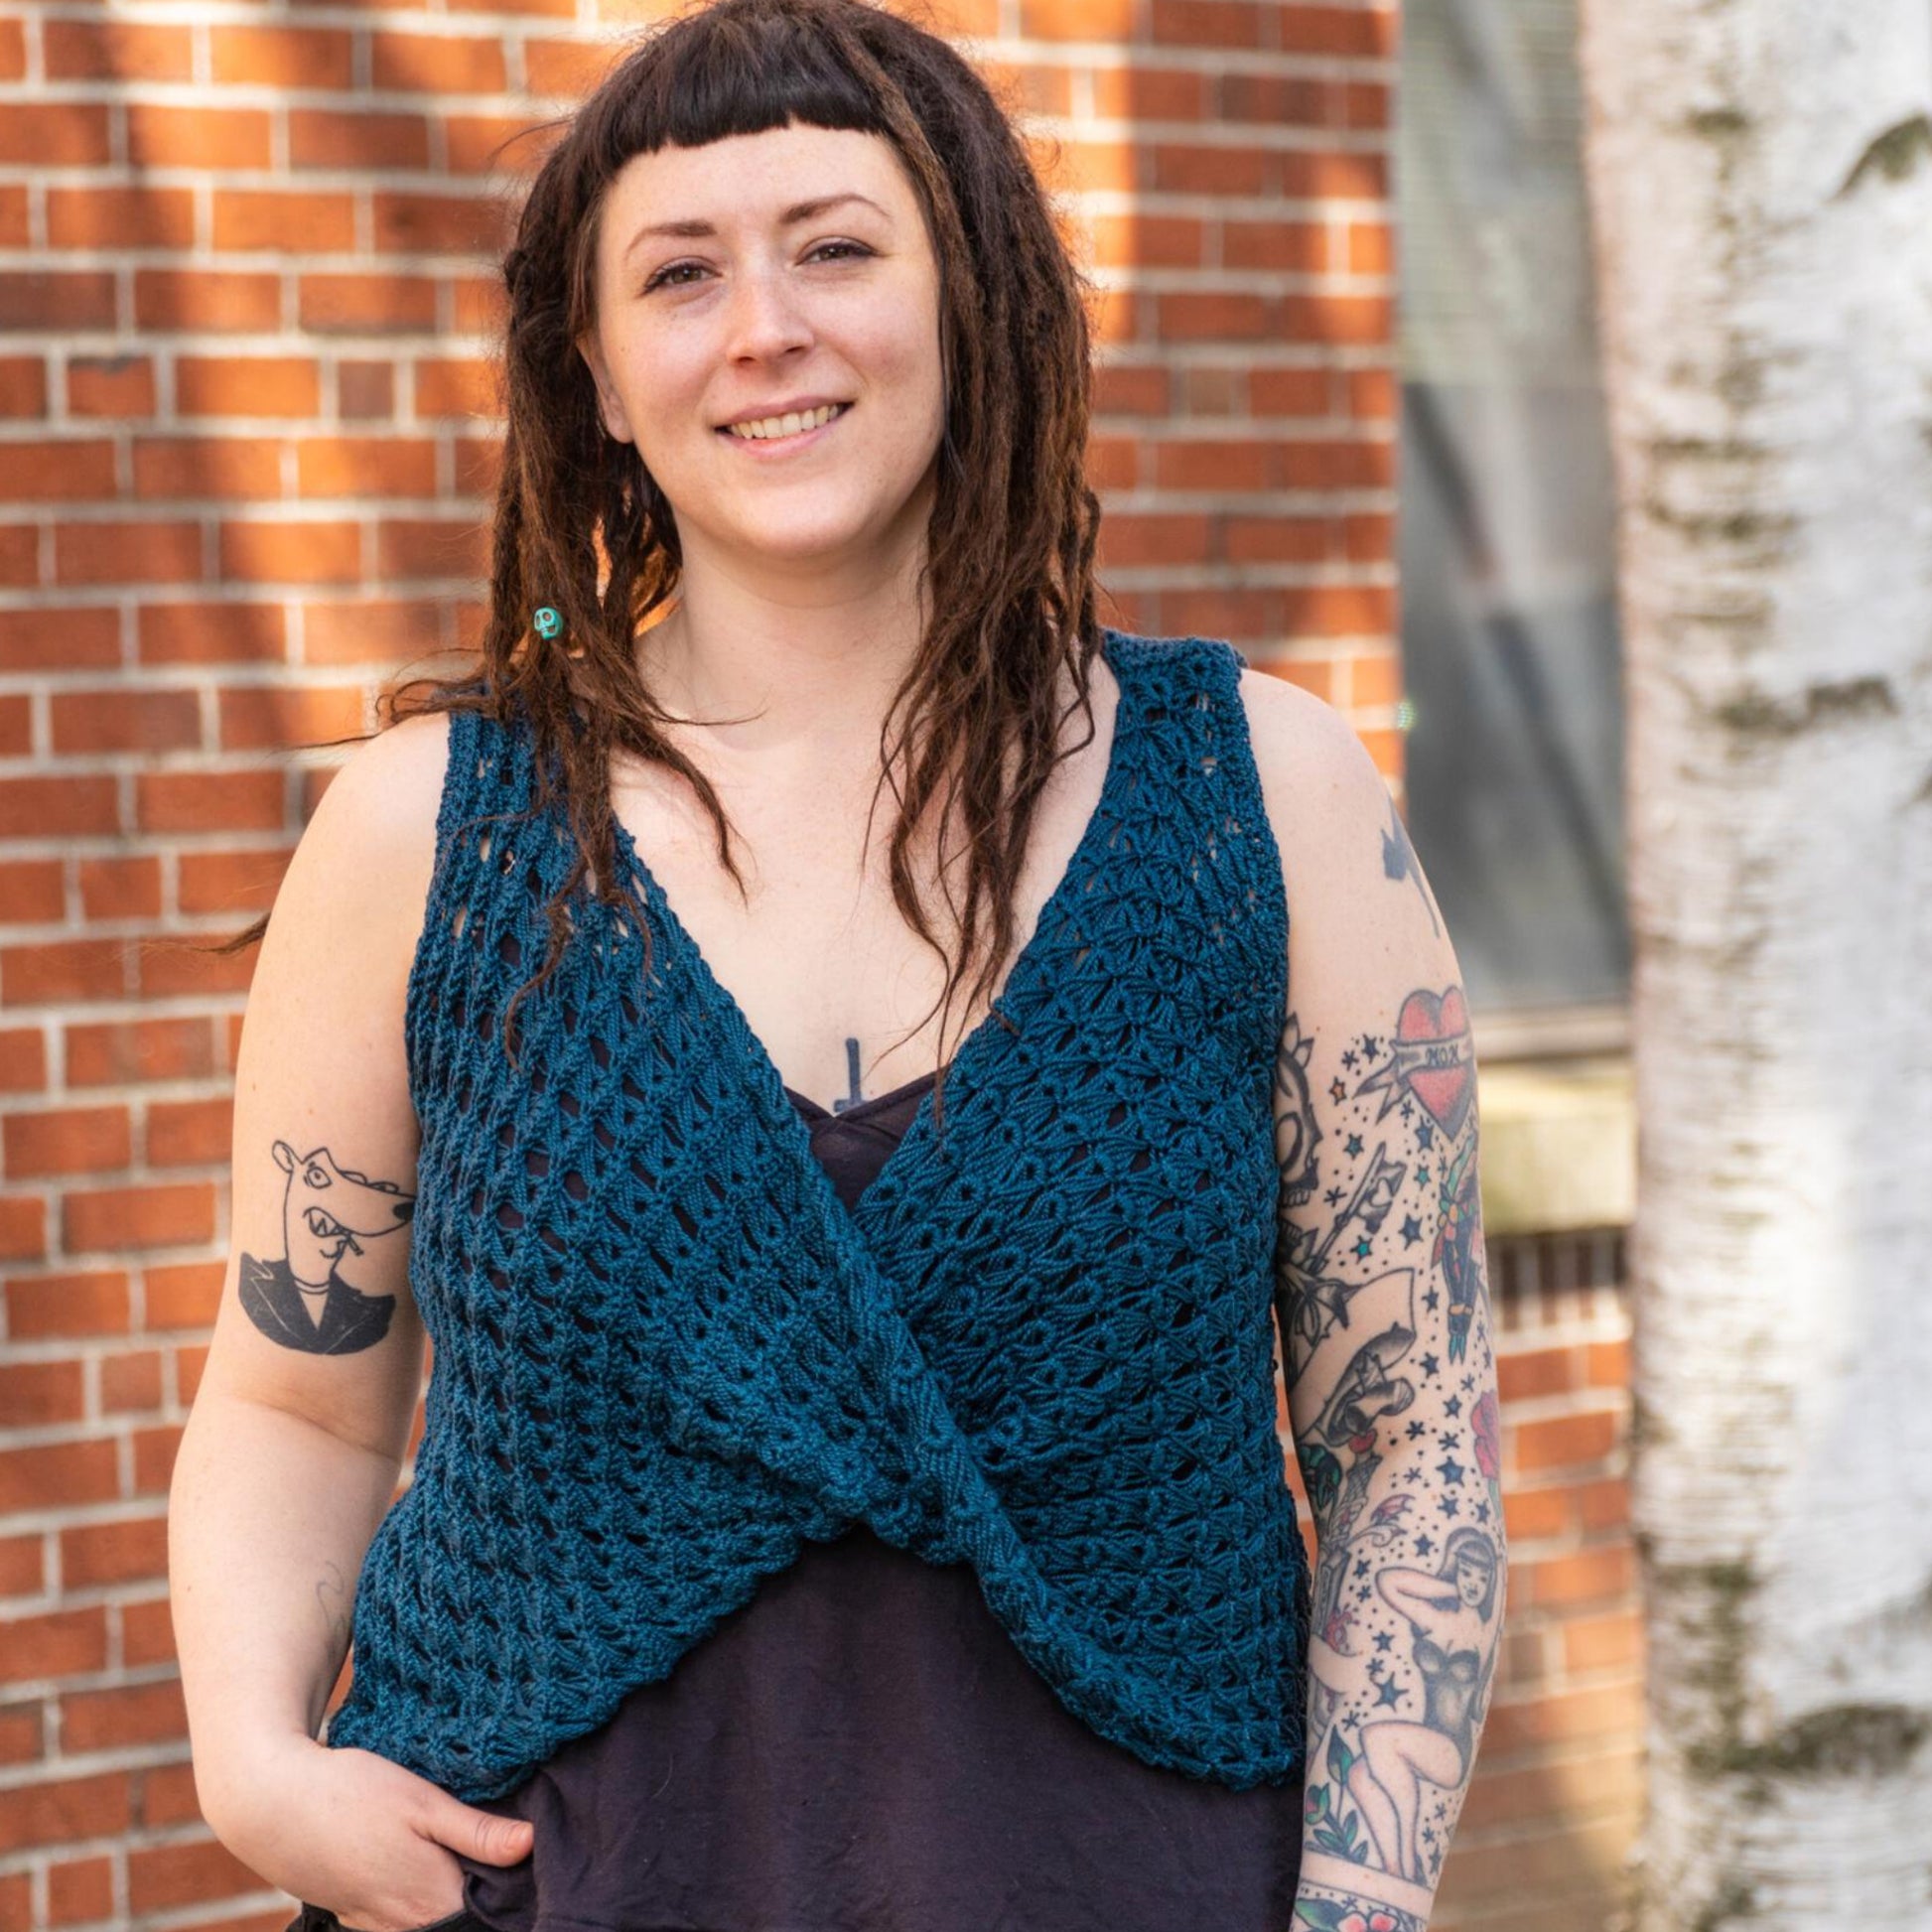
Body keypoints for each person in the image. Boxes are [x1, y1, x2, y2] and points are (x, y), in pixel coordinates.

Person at [167, 0, 1507, 1928]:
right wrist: (256, 1760)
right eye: (682, 273)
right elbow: (300, 1391)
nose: (764, 327)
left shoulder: (1264, 798)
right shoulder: (426, 839)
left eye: (836, 247)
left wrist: (1362, 1907)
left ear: (970, 300)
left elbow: (1407, 1436)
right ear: (601, 375)